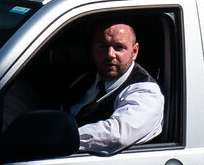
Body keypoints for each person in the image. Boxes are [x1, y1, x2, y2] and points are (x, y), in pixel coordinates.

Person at [67, 23, 163, 154]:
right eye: (102, 47)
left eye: (119, 47)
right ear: (92, 49)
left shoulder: (145, 92)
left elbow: (117, 135)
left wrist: (61, 139)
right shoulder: (82, 81)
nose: (110, 54)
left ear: (134, 52)